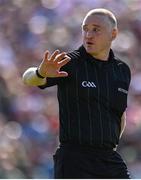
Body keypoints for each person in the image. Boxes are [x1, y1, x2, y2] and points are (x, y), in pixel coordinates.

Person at [22, 8, 131, 179]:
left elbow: (120, 114)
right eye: (85, 28)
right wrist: (40, 73)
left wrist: (108, 145)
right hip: (74, 160)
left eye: (96, 29)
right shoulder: (69, 62)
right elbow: (27, 78)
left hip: (109, 160)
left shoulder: (122, 70)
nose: (88, 34)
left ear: (114, 34)